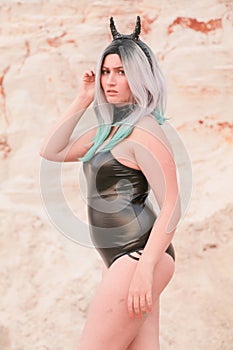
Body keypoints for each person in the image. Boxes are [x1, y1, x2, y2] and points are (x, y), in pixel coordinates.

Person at [40, 16, 181, 350]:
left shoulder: (146, 131)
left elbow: (172, 206)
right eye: (106, 71)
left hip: (138, 256)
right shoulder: (108, 132)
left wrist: (145, 269)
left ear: (140, 77)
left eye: (121, 72)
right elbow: (51, 150)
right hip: (126, 260)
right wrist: (82, 99)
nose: (110, 81)